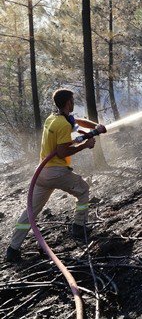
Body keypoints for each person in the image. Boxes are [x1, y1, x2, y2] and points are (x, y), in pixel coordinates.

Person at [6, 89, 106, 262]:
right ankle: (78, 227)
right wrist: (86, 145)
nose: (73, 102)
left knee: (31, 211)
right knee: (83, 190)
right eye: (72, 100)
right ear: (68, 102)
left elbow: (76, 122)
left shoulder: (53, 118)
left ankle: (13, 249)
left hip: (41, 173)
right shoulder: (63, 125)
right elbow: (61, 152)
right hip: (56, 171)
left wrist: (95, 127)